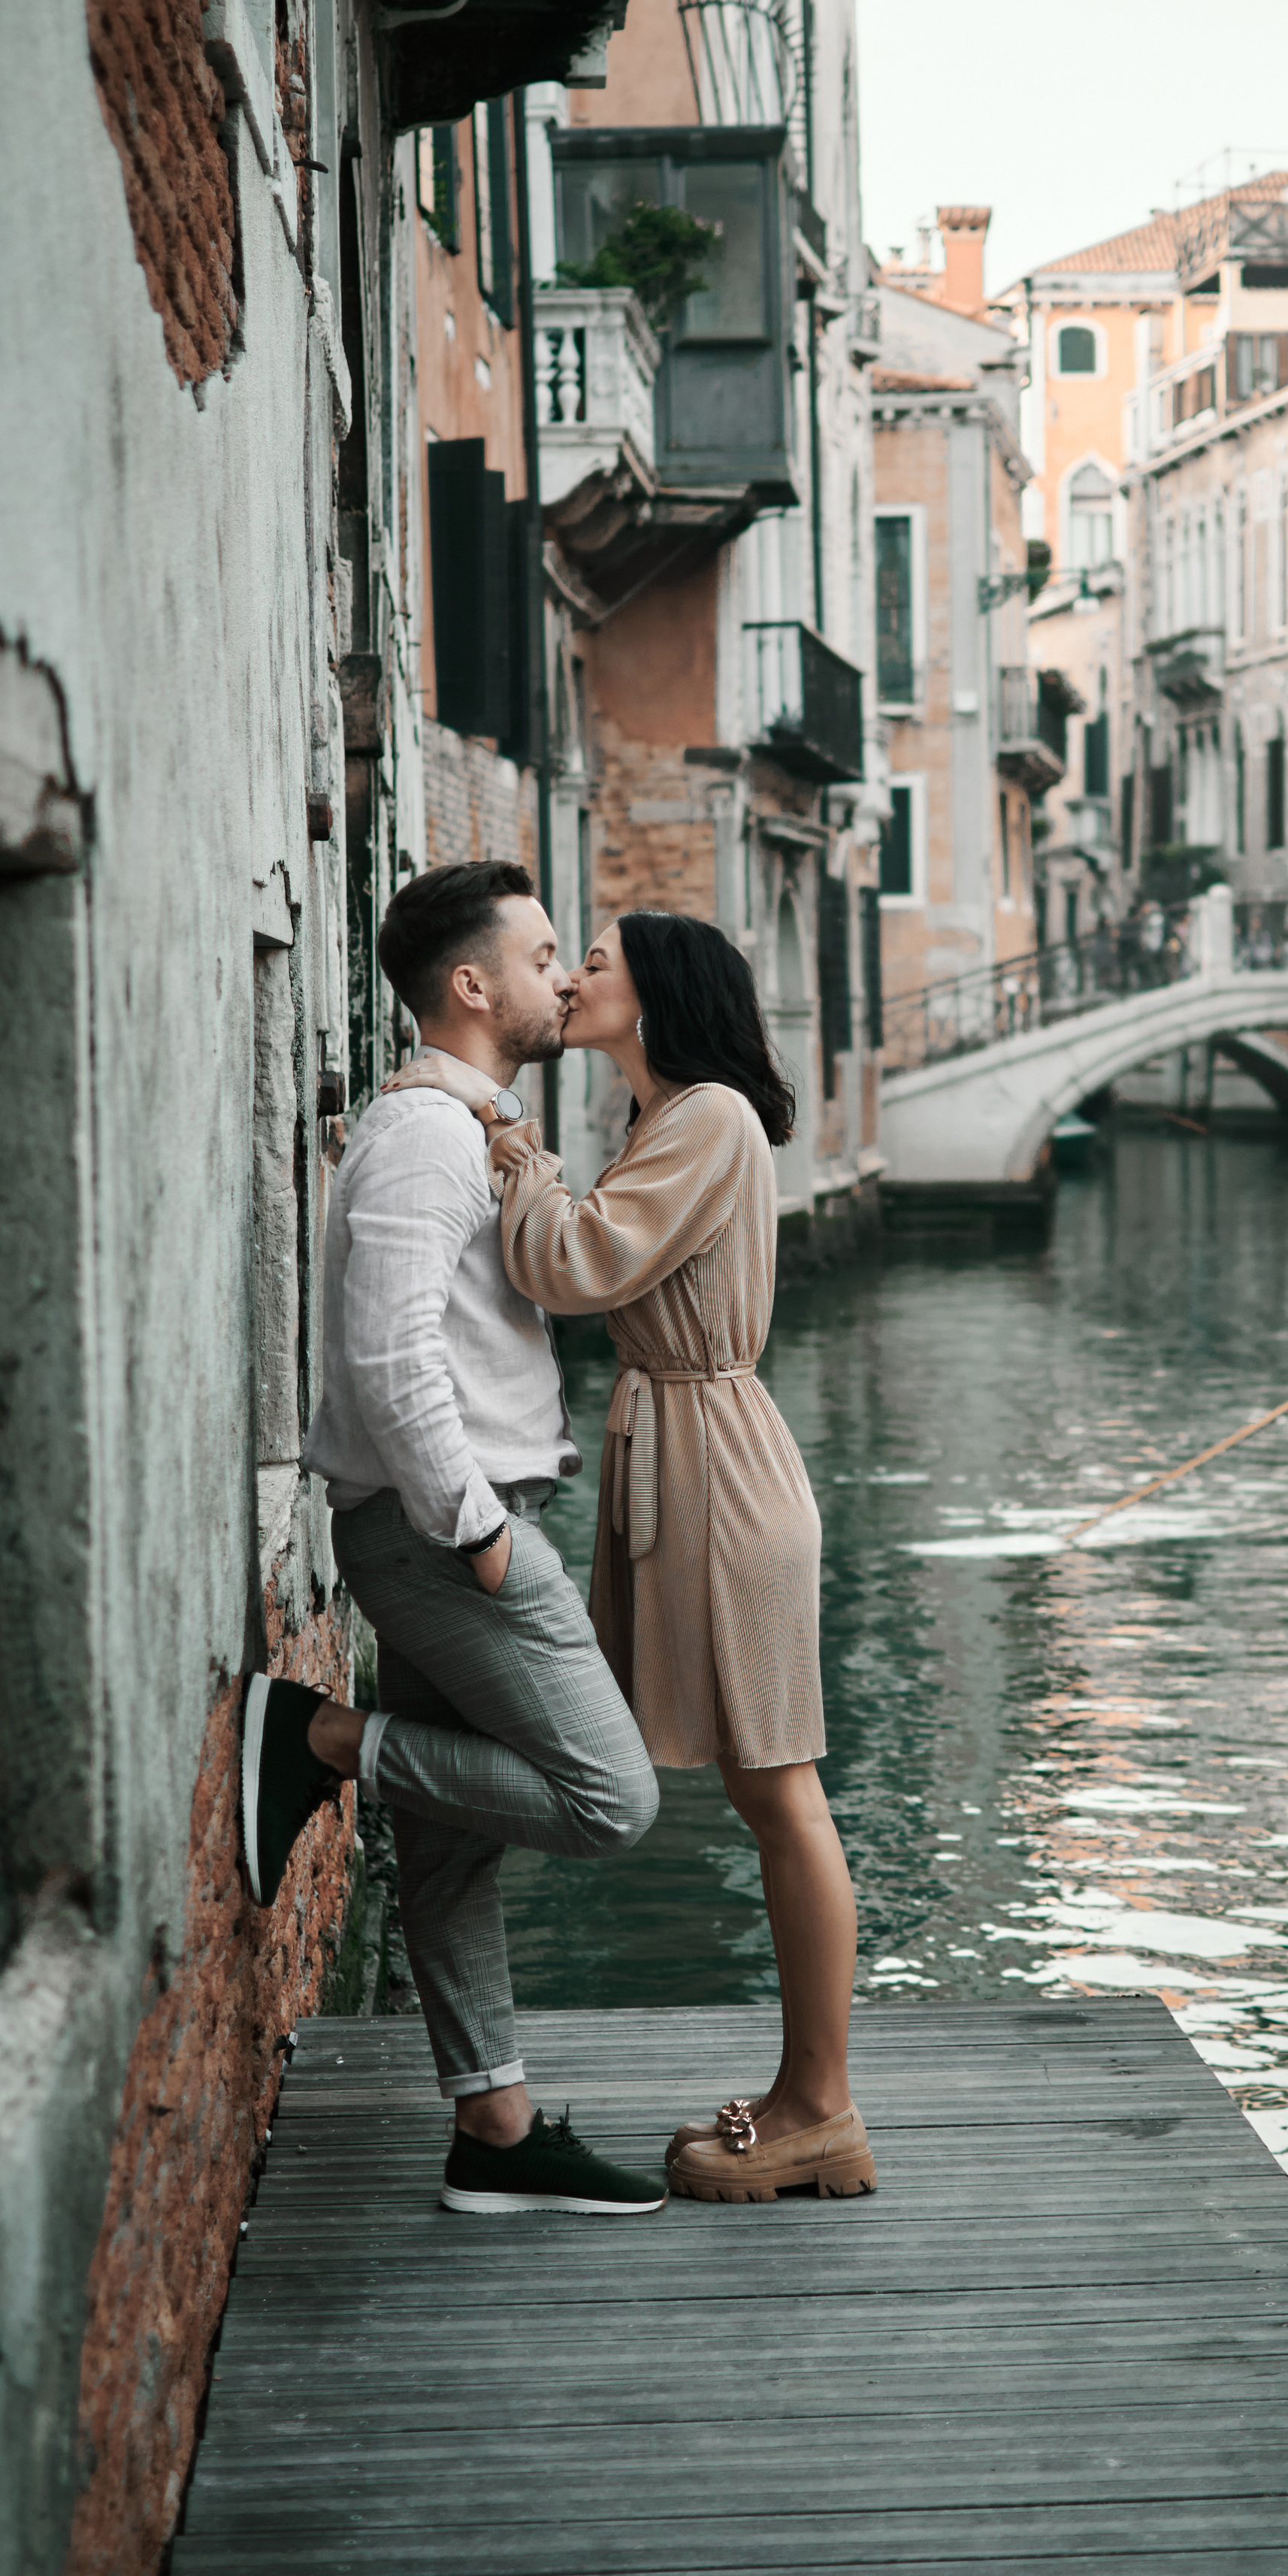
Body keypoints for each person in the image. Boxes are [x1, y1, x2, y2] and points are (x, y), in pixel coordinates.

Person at [397, 908, 875, 2206]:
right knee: (756, 1791)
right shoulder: (661, 1122)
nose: (571, 979)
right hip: (681, 1451)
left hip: (718, 1465)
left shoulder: (709, 1115)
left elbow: (575, 1262)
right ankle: (806, 2099)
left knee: (781, 1793)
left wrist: (514, 1150)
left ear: (655, 992)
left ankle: (819, 2107)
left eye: (592, 961)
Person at [238, 861, 667, 2217]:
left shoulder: (469, 1122)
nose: (566, 977)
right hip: (449, 1535)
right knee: (614, 1799)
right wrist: (480, 1534)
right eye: (545, 957)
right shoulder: (426, 1136)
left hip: (445, 1526)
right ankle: (315, 1739)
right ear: (472, 985)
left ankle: (494, 2126)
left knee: (453, 1842)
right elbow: (384, 1352)